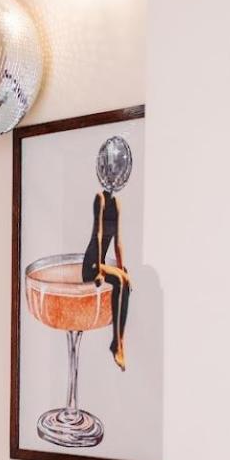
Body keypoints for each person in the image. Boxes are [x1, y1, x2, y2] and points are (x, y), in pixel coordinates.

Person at [81, 136, 133, 369]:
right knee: (120, 280)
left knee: (125, 280)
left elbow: (118, 241)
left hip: (102, 262)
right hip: (91, 263)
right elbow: (99, 234)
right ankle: (116, 344)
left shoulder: (117, 204)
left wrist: (122, 267)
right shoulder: (99, 199)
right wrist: (101, 272)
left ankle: (119, 341)